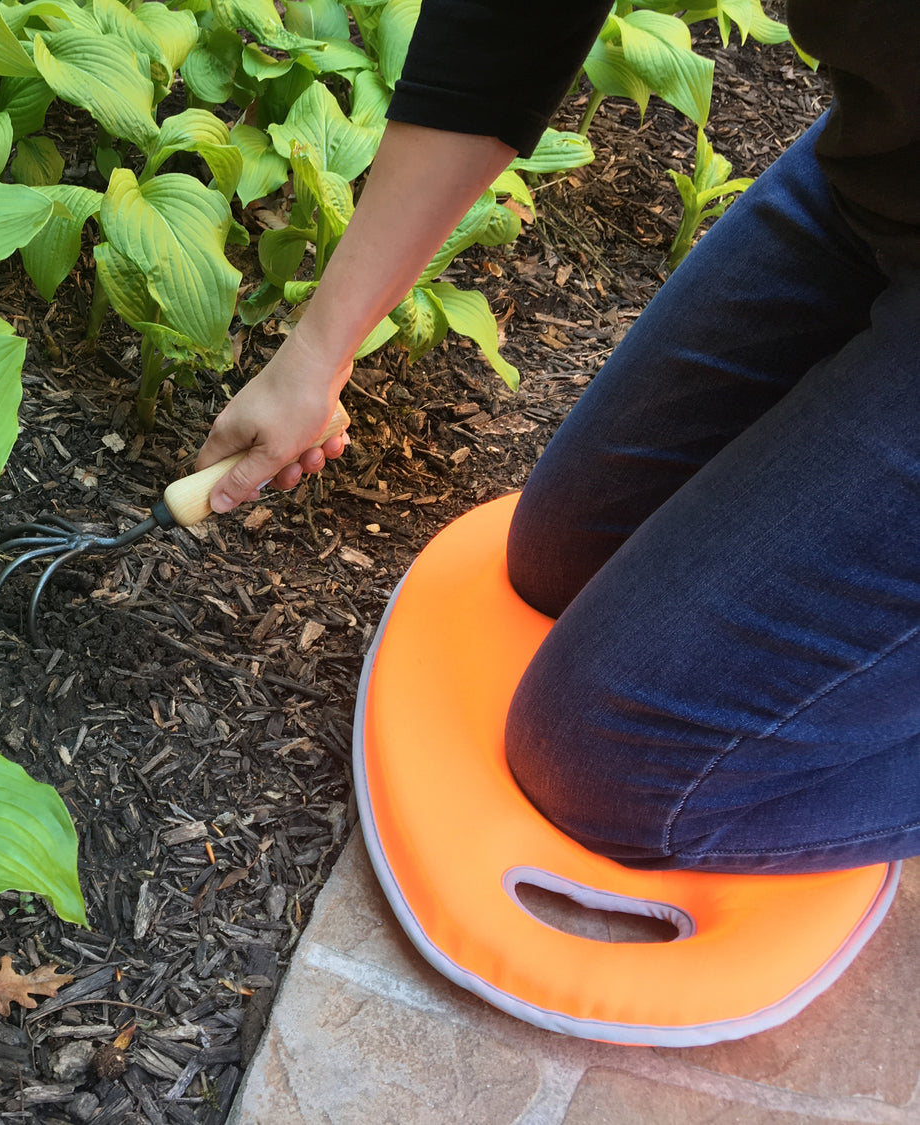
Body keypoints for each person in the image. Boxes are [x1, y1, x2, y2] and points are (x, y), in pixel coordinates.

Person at [195, 0, 920, 874]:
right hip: (882, 171)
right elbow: (507, 28)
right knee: (563, 552)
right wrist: (317, 354)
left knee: (611, 764)